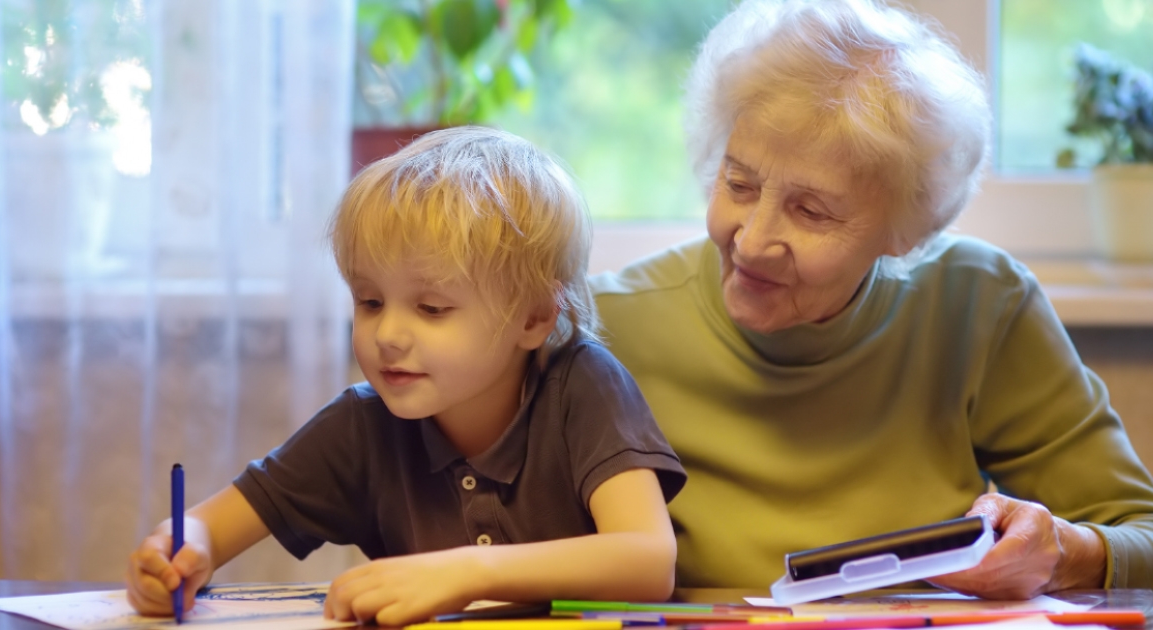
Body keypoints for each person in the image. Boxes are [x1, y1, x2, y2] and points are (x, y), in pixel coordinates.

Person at [592, 0, 1153, 598]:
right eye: (739, 184)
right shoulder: (607, 328)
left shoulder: (977, 304)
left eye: (811, 211)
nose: (752, 242)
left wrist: (1062, 553)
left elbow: (1139, 534)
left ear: (907, 229)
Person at [127, 127, 686, 626]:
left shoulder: (582, 386)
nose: (387, 334)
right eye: (369, 301)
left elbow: (648, 560)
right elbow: (208, 526)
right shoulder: (362, 423)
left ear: (535, 318)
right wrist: (176, 555)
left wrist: (467, 573)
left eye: (432, 308)